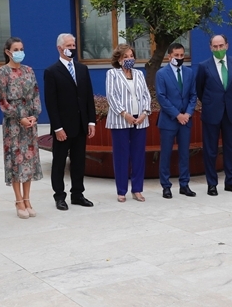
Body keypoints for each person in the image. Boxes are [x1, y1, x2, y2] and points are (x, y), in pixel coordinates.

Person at [43, 33, 96, 211]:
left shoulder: (82, 69)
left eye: (73, 45)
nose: (72, 48)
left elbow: (88, 97)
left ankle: (78, 194)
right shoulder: (51, 71)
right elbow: (51, 103)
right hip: (63, 128)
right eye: (68, 45)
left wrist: (91, 122)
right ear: (59, 48)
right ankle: (59, 196)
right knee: (59, 162)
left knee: (79, 161)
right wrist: (57, 127)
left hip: (81, 125)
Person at [0, 37, 43, 219]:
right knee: (16, 160)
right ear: (8, 52)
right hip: (13, 122)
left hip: (29, 121)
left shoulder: (29, 71)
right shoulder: (2, 72)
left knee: (29, 159)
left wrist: (34, 115)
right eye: (16, 49)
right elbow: (2, 100)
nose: (19, 52)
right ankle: (18, 201)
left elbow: (36, 95)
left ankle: (28, 198)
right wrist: (19, 117)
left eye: (21, 48)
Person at [195, 34, 232, 196]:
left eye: (221, 46)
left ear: (227, 46)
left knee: (231, 148)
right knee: (210, 150)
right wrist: (211, 103)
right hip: (211, 113)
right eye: (215, 47)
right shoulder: (204, 66)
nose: (218, 49)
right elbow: (200, 89)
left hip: (230, 113)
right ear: (211, 48)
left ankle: (230, 181)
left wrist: (230, 102)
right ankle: (212, 184)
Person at [105, 44, 152, 202]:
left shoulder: (139, 74)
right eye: (126, 57)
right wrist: (125, 114)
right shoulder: (112, 74)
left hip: (140, 121)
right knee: (121, 156)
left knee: (138, 156)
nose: (129, 59)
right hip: (120, 121)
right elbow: (111, 97)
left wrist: (145, 113)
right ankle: (121, 191)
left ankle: (137, 189)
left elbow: (146, 95)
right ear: (119, 59)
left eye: (131, 56)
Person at [155, 43, 198, 199]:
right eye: (176, 56)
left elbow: (193, 95)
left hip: (185, 120)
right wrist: (177, 114)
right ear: (169, 56)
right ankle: (166, 186)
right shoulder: (161, 74)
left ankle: (184, 185)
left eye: (181, 55)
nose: (179, 58)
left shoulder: (189, 72)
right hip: (169, 121)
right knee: (166, 154)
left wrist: (187, 113)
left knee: (184, 154)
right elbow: (161, 97)